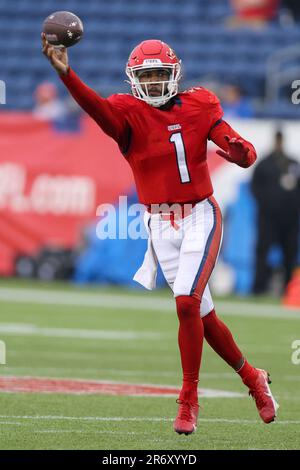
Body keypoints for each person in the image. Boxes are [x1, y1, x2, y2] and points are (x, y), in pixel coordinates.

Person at [42, 34, 279, 435]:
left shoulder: (200, 103)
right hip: (159, 223)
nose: (152, 83)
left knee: (187, 303)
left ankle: (188, 399)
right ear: (134, 79)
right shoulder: (126, 112)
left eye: (159, 74)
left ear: (174, 74)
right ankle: (253, 378)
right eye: (146, 76)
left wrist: (242, 153)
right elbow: (95, 107)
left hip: (200, 216)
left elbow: (236, 144)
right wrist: (67, 74)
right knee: (202, 314)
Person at [251, 130, 300, 295]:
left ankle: (289, 289)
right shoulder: (264, 164)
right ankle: (259, 288)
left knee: (290, 255)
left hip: (289, 220)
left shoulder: (292, 163)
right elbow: (254, 188)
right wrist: (267, 204)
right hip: (268, 218)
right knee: (263, 252)